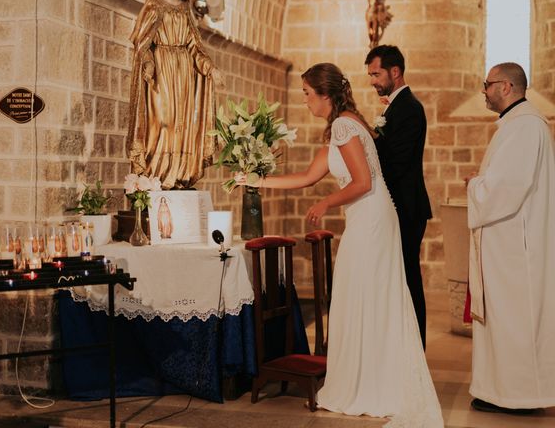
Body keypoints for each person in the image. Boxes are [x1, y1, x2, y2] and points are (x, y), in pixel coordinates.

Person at [236, 63, 443, 427]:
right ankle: (367, 379)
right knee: (360, 295)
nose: (304, 101)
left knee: (364, 295)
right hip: (369, 219)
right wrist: (254, 180)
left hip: (372, 220)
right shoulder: (342, 125)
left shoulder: (346, 125)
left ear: (325, 95)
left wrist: (326, 203)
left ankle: (373, 385)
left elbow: (362, 182)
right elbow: (306, 177)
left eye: (306, 94)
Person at [464, 62, 555, 415]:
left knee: (515, 319)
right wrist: (481, 182)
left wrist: (476, 185)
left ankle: (519, 396)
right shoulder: (517, 125)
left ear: (505, 87)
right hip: (507, 241)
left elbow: (507, 188)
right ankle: (496, 389)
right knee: (501, 319)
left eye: (487, 85)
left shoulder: (526, 127)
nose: (483, 91)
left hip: (516, 246)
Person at [126, 0, 224, 189]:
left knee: (182, 124)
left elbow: (194, 45)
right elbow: (142, 41)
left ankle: (179, 176)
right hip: (161, 70)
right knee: (162, 121)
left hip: (183, 73)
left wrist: (210, 68)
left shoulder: (184, 9)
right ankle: (155, 176)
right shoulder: (154, 5)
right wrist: (148, 62)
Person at [365, 45, 431, 348]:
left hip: (406, 206)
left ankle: (415, 345)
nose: (372, 81)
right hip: (399, 204)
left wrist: (368, 142)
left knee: (407, 278)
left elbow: (397, 160)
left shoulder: (409, 108)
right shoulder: (394, 106)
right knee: (399, 276)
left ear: (395, 71)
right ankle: (401, 344)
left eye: (376, 74)